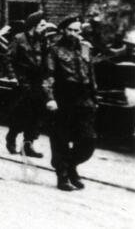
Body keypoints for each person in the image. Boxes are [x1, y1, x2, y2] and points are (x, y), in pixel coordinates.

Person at [44, 16, 98, 191]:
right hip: (63, 97)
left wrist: (94, 98)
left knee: (88, 141)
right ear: (63, 30)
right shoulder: (54, 50)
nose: (74, 34)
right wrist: (50, 98)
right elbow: (48, 76)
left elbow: (91, 75)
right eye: (70, 30)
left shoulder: (85, 48)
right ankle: (64, 176)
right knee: (61, 139)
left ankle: (68, 165)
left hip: (84, 99)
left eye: (77, 30)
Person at [5, 12, 49, 157]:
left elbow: (45, 61)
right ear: (34, 25)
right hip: (23, 81)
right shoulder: (19, 39)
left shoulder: (42, 40)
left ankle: (28, 145)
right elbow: (9, 59)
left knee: (36, 115)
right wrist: (13, 77)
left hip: (38, 82)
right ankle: (11, 137)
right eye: (42, 25)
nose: (45, 28)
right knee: (21, 113)